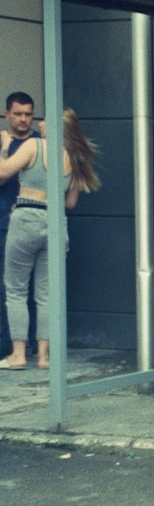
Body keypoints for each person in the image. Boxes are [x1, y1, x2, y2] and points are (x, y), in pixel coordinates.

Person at [0, 107, 100, 370]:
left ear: (54, 126)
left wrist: (4, 147)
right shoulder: (77, 159)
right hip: (55, 221)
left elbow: (2, 173)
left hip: (27, 217)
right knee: (46, 294)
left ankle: (18, 355)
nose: (39, 123)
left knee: (16, 289)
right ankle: (44, 357)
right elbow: (70, 202)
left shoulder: (34, 146)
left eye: (44, 120)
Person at [0, 93, 42, 359]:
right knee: (8, 287)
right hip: (4, 222)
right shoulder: (3, 143)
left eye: (28, 114)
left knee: (33, 289)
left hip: (31, 223)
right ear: (7, 115)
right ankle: (9, 345)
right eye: (18, 114)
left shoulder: (41, 144)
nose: (24, 119)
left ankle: (24, 347)